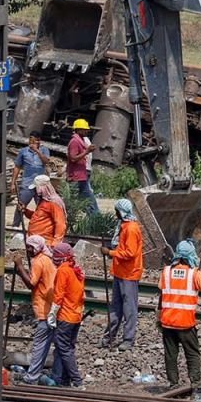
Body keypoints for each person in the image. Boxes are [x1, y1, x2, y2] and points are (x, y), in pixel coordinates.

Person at [158, 240, 201, 400]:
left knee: (170, 354)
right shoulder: (194, 273)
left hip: (167, 322)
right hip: (185, 323)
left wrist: (158, 314)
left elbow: (162, 294)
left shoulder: (166, 271)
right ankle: (196, 387)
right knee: (192, 354)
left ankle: (173, 385)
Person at [13, 235, 59, 384]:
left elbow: (31, 284)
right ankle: (49, 373)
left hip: (44, 309)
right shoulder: (46, 258)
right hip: (51, 308)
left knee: (39, 344)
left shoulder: (38, 261)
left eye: (30, 247)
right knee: (48, 344)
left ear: (37, 247)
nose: (28, 250)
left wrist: (20, 267)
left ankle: (31, 377)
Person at [101, 198, 143, 351]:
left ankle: (128, 339)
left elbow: (130, 253)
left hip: (129, 274)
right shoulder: (124, 226)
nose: (115, 213)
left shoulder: (131, 229)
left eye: (116, 211)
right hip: (120, 272)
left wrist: (110, 252)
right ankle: (108, 337)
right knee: (115, 307)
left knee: (129, 308)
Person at [49, 242, 85, 387]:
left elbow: (58, 296)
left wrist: (52, 315)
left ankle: (77, 380)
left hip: (66, 316)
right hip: (76, 316)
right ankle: (65, 380)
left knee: (63, 348)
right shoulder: (76, 270)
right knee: (68, 347)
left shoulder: (63, 270)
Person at [10, 132, 50, 227]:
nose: (31, 142)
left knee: (42, 207)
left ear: (38, 141)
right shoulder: (23, 151)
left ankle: (43, 227)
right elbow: (17, 167)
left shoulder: (44, 150)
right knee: (21, 205)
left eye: (34, 140)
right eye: (30, 140)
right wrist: (12, 183)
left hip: (40, 185)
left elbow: (46, 162)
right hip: (27, 184)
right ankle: (15, 226)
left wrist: (37, 151)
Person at [23, 174, 66, 245]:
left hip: (46, 243)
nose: (35, 191)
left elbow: (60, 224)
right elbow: (39, 217)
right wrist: (25, 211)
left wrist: (55, 243)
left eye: (36, 188)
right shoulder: (43, 201)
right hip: (35, 242)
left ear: (41, 188)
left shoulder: (53, 203)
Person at [66, 119, 97, 214]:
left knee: (88, 201)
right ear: (78, 129)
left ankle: (94, 221)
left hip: (81, 177)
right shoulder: (74, 142)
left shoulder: (81, 141)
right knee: (76, 203)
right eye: (84, 129)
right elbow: (73, 158)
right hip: (75, 178)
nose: (87, 131)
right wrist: (87, 151)